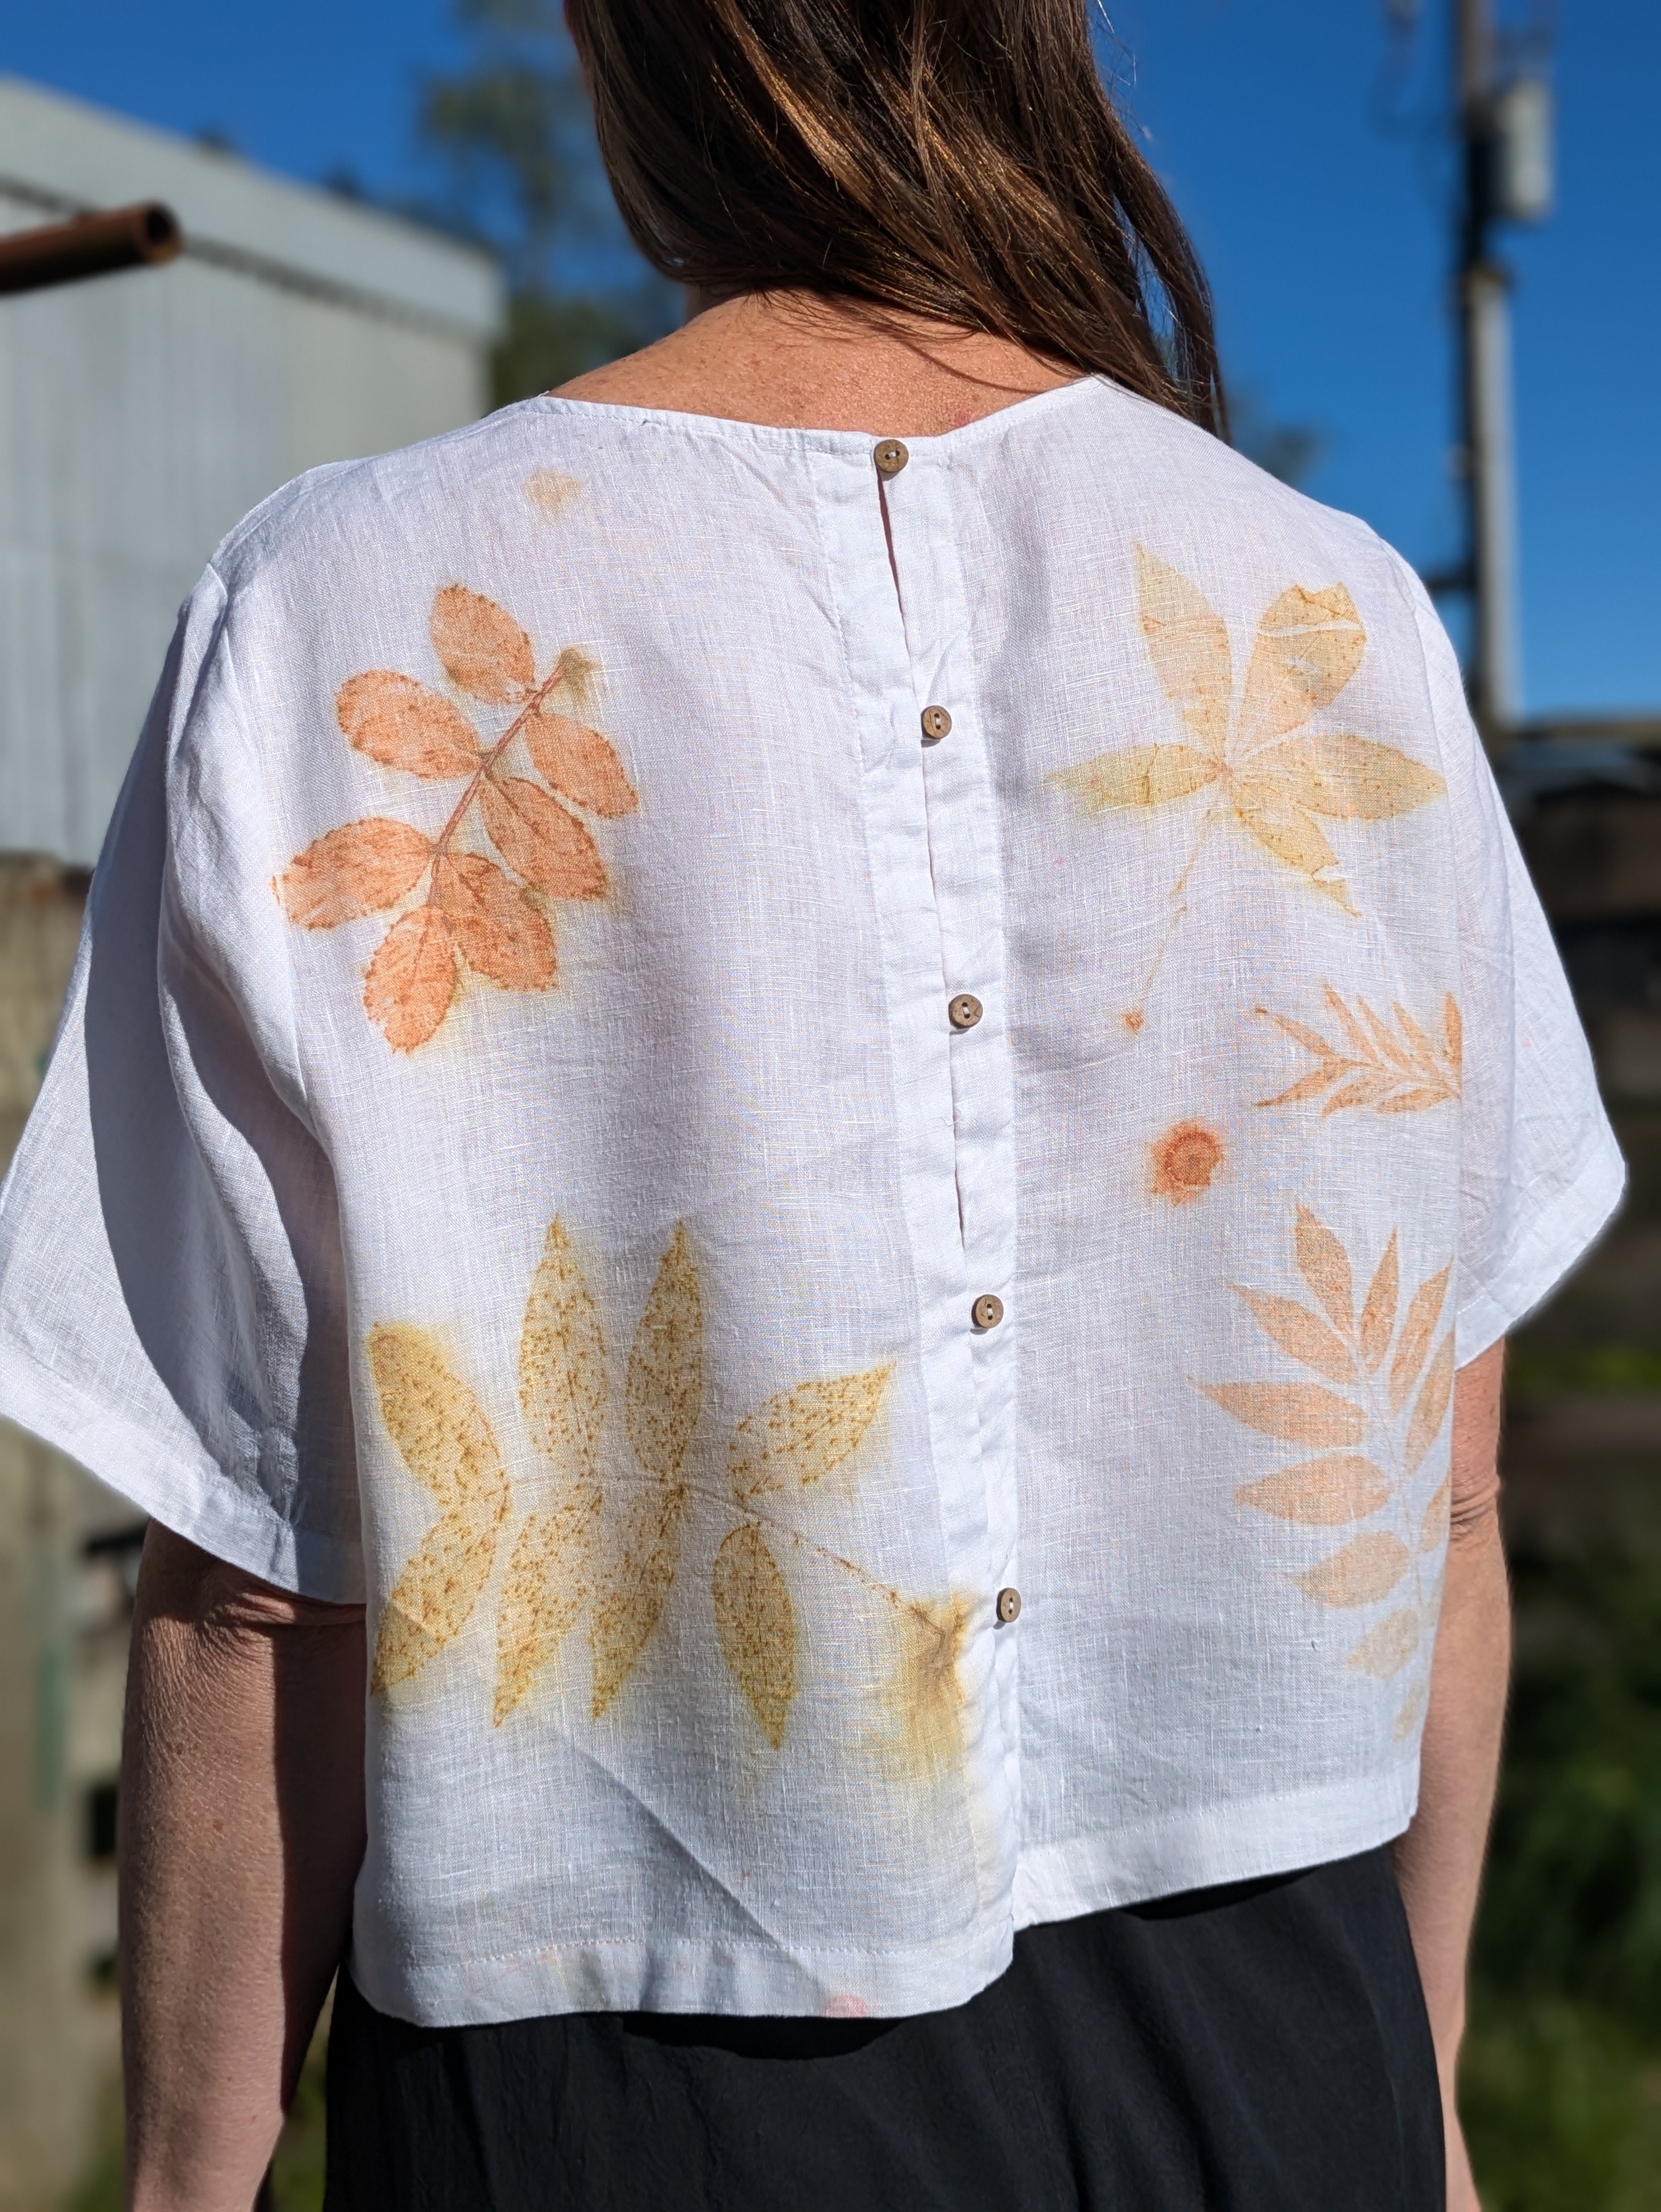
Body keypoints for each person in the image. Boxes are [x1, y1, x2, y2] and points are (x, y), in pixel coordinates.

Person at [0, 2, 1622, 2207]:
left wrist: (186, 2181)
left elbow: (256, 1589)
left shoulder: (333, 608)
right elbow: (1438, 1496)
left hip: (608, 2098)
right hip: (1274, 2050)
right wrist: (1415, 2084)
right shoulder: (1328, 617)